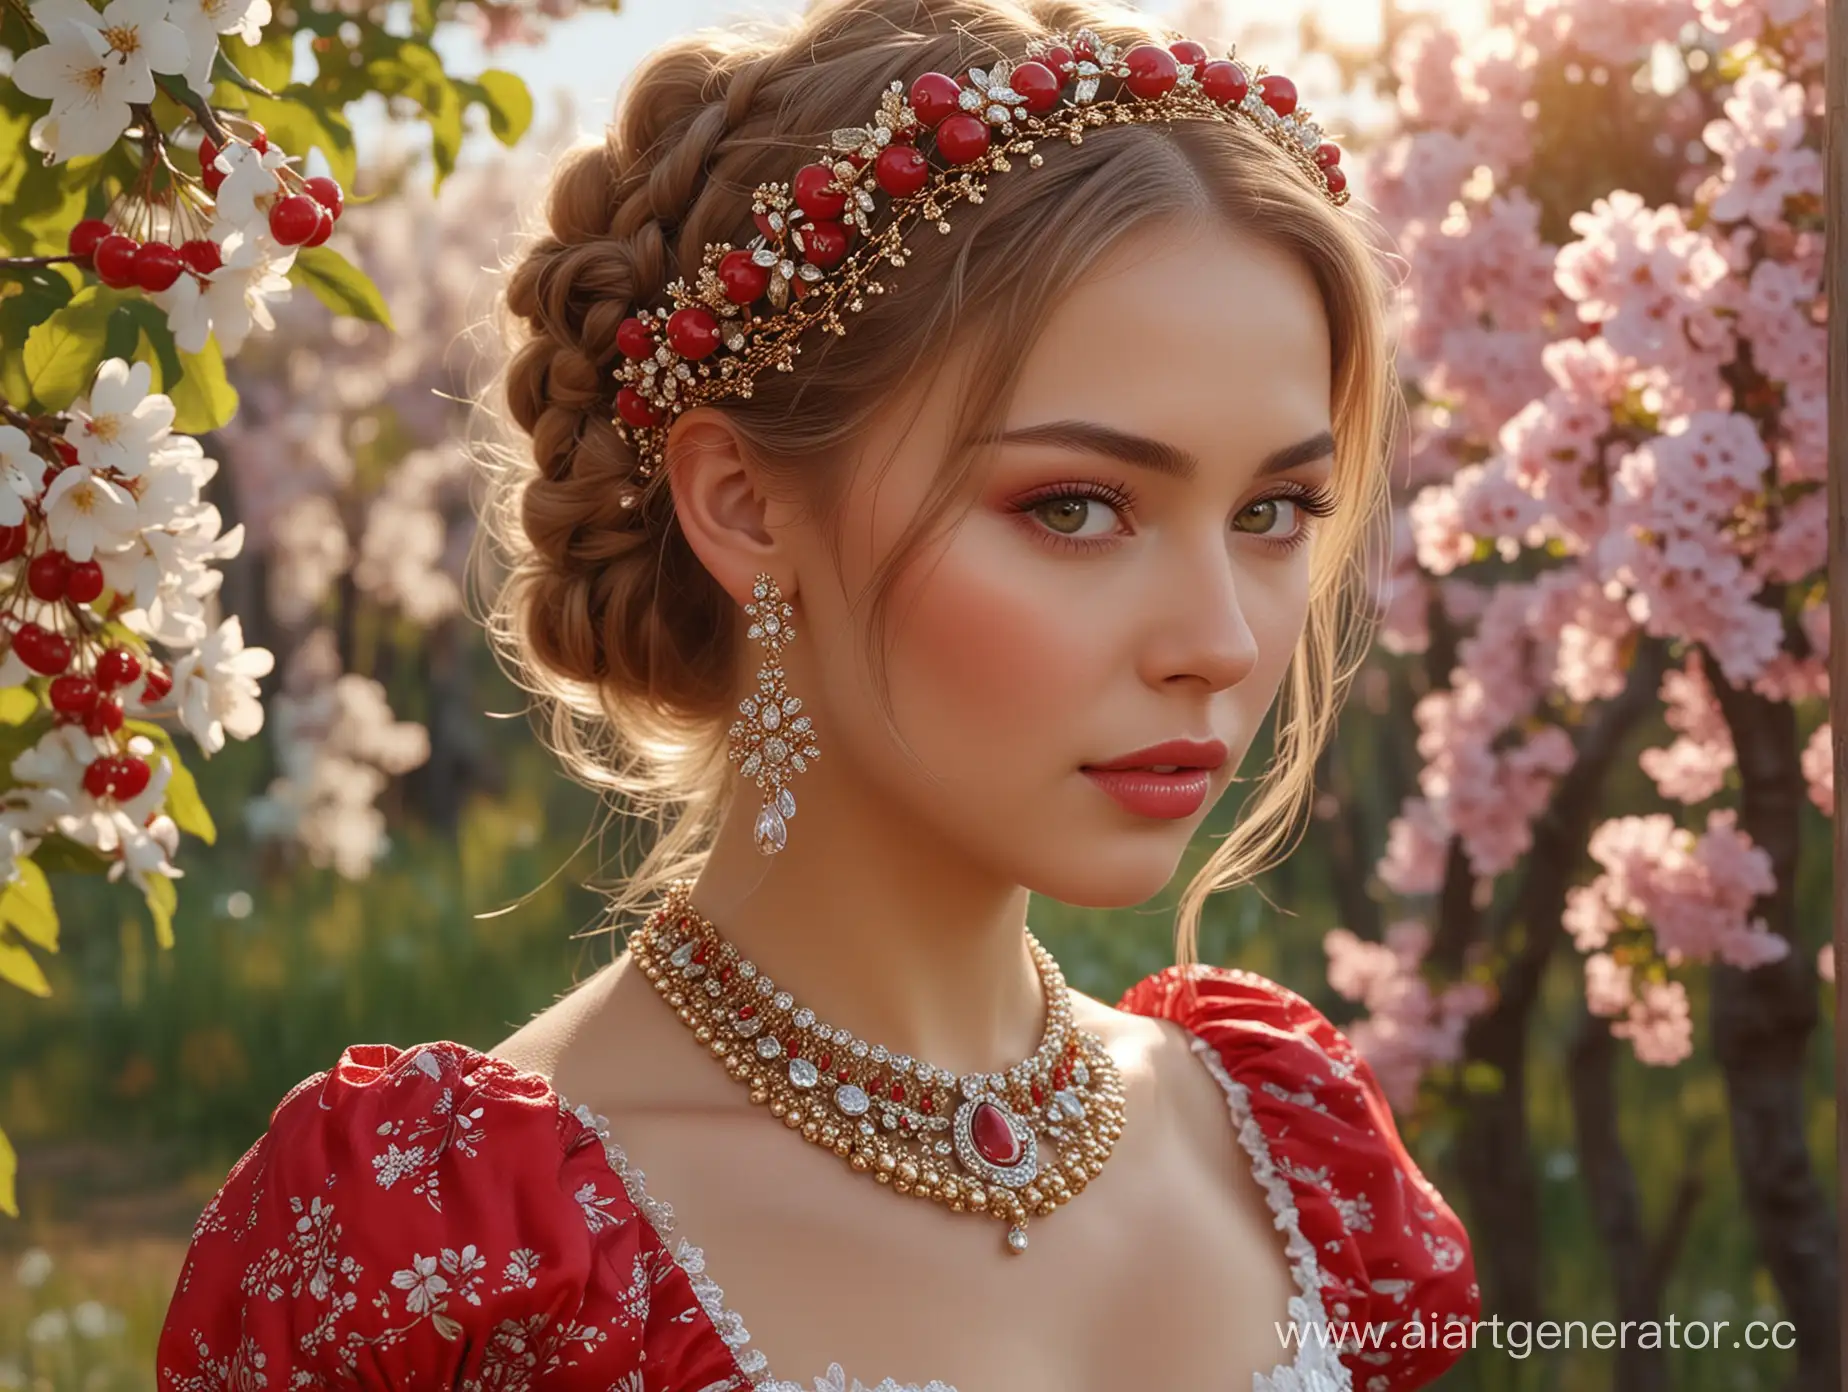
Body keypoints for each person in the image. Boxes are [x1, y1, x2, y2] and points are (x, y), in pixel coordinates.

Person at [155, 1, 1480, 1388]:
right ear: (742, 504)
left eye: (1276, 510)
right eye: (1076, 507)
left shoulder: (1288, 1157)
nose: (1218, 638)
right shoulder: (455, 1256)